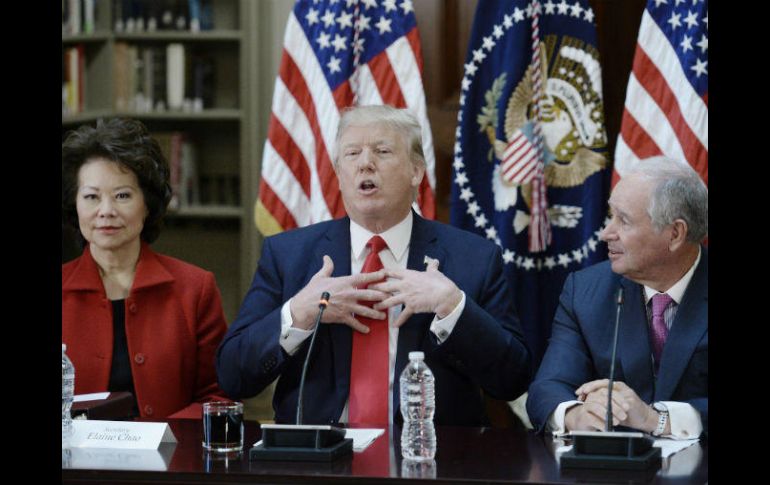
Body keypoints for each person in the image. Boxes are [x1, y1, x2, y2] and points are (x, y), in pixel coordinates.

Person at [216, 105, 531, 426]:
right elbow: (233, 376)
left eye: (382, 151)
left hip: (431, 450)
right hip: (318, 452)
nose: (365, 163)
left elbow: (513, 380)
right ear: (339, 174)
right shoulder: (288, 255)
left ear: (416, 172)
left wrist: (452, 307)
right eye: (352, 154)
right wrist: (299, 313)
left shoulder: (473, 258)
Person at [526, 157, 707, 439]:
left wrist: (657, 420)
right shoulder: (585, 291)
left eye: (623, 220)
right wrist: (576, 415)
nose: (605, 233)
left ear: (675, 234)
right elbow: (547, 388)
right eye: (611, 216)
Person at [62, 118, 229, 419]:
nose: (106, 211)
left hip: (171, 448)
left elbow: (217, 396)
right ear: (75, 204)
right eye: (91, 197)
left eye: (122, 195)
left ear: (147, 204)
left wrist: (162, 436)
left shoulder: (195, 289)